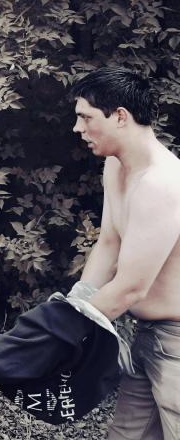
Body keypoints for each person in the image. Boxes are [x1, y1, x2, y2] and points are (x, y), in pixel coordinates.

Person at [70, 66, 180, 440]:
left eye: (85, 117)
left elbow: (131, 287)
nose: (77, 128)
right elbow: (109, 243)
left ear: (120, 116)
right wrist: (75, 304)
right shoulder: (114, 167)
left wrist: (64, 332)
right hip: (145, 334)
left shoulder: (162, 183)